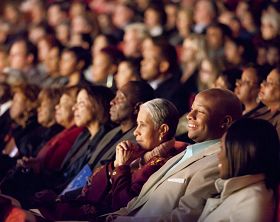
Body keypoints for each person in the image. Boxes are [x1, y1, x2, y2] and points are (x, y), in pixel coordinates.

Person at [37, 98, 186, 221]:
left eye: (142, 125)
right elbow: (93, 185)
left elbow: (122, 204)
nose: (135, 132)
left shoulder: (160, 162)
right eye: (137, 125)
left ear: (163, 130)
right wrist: (117, 164)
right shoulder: (142, 153)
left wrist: (122, 166)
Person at [108, 88, 243, 222]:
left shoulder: (218, 162)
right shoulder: (184, 152)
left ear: (225, 122)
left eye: (201, 111)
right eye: (191, 109)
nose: (190, 115)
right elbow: (139, 202)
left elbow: (184, 216)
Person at [198, 118, 279, 222]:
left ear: (241, 152)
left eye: (222, 148)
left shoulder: (252, 203)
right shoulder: (243, 191)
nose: (218, 155)